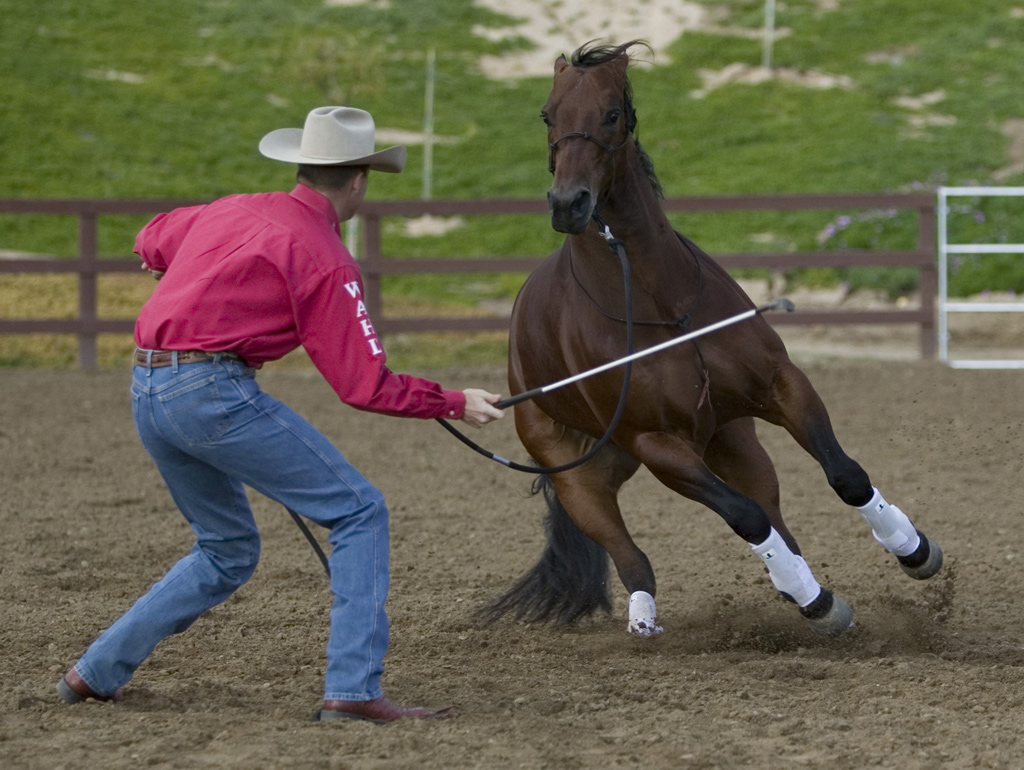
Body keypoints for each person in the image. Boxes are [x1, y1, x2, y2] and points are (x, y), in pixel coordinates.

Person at [56, 106, 505, 722]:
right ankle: (352, 691)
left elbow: (153, 234)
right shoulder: (325, 257)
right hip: (211, 396)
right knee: (358, 510)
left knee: (226, 549)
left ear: (302, 165)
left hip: (147, 389)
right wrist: (454, 400)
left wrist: (172, 263)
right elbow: (363, 384)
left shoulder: (230, 207)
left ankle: (94, 674)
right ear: (358, 180)